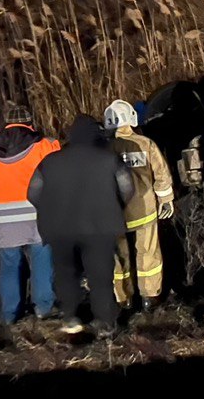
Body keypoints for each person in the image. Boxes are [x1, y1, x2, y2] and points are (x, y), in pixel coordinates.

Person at [28, 114, 133, 336]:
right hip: (100, 226)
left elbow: (32, 193)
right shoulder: (109, 159)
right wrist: (115, 207)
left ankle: (70, 317)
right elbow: (127, 188)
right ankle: (105, 322)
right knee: (100, 275)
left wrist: (50, 210)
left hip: (60, 227)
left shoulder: (49, 161)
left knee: (66, 272)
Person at [0, 103, 60, 323]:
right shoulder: (46, 146)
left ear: (7, 124)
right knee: (42, 262)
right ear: (30, 123)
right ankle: (44, 309)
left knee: (8, 266)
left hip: (2, 220)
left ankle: (9, 314)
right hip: (38, 216)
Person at [104, 99, 174, 308]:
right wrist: (166, 201)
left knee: (119, 256)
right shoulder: (146, 144)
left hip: (114, 211)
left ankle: (123, 298)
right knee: (148, 252)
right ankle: (149, 297)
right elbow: (161, 175)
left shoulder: (104, 149)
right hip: (144, 208)